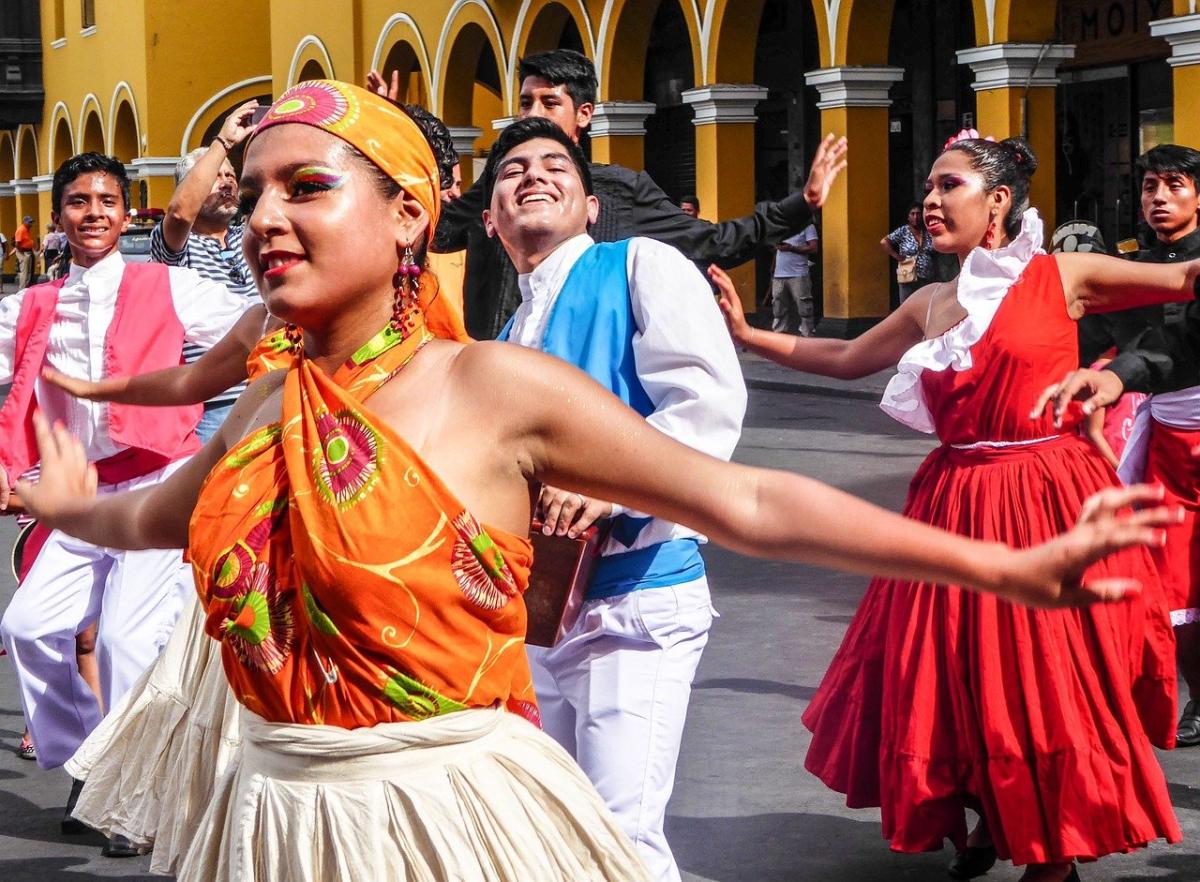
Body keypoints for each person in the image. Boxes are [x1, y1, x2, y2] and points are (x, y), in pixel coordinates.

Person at [12, 82, 1176, 882]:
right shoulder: (273, 401)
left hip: (434, 823)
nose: (264, 216)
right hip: (271, 825)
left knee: (628, 830)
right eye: (254, 189)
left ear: (410, 215)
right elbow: (159, 515)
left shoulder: (496, 382)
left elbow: (745, 499)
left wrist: (1004, 568)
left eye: (305, 186)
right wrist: (70, 506)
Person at [716, 131, 1192, 882]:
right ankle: (983, 814)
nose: (930, 201)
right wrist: (749, 336)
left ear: (998, 200)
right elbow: (845, 357)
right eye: (930, 188)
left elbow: (1185, 278)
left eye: (949, 186)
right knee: (949, 672)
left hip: (1045, 496)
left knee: (1038, 678)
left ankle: (1051, 849)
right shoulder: (931, 302)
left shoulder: (1061, 274)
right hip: (953, 500)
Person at [480, 116, 746, 881]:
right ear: (491, 218)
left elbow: (707, 402)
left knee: (619, 836)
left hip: (636, 599)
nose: (533, 174)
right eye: (512, 170)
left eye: (554, 165)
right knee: (556, 832)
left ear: (592, 206)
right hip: (541, 614)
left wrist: (609, 487)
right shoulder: (507, 334)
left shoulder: (641, 265)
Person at [0, 152, 249, 857]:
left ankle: (136, 799)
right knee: (28, 627)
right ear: (59, 217)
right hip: (78, 495)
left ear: (126, 212)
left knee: (123, 641)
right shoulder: (29, 306)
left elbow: (256, 329)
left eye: (107, 200)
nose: (94, 213)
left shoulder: (171, 286)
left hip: (158, 487)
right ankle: (97, 758)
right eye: (79, 201)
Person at [424, 48, 843, 339]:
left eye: (549, 102)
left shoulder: (621, 190)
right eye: (525, 102)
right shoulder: (498, 185)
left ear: (583, 114)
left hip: (576, 384)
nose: (532, 114)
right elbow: (433, 231)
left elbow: (713, 241)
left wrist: (801, 205)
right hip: (491, 370)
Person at [1037, 144, 1200, 750]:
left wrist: (1120, 375)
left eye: (1175, 185)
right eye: (1151, 186)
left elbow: (1182, 339)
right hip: (1164, 439)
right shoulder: (1126, 267)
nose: (1160, 197)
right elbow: (1082, 337)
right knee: (1170, 582)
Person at [150, 101, 262, 441]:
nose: (226, 183)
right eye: (214, 176)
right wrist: (223, 143)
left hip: (269, 388)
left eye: (230, 175)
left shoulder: (252, 236)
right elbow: (180, 214)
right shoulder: (175, 249)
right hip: (215, 405)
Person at [881, 202, 936, 302]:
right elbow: (884, 242)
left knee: (925, 303)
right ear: (908, 217)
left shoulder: (928, 232)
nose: (916, 217)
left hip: (926, 275)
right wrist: (896, 256)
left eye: (918, 214)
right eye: (912, 214)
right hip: (907, 274)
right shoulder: (903, 231)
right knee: (906, 303)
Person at [772, 222, 819, 335]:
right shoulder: (782, 225)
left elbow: (813, 248)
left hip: (798, 274)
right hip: (779, 274)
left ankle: (807, 335)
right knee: (778, 308)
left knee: (804, 307)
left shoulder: (808, 226)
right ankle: (779, 336)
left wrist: (792, 248)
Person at [13, 215, 36, 289]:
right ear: (24, 222)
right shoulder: (21, 229)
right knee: (24, 271)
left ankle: (27, 287)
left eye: (31, 222)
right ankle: (22, 288)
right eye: (29, 222)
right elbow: (17, 244)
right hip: (23, 251)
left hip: (27, 251)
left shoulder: (26, 229)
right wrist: (22, 253)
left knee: (28, 271)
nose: (31, 224)